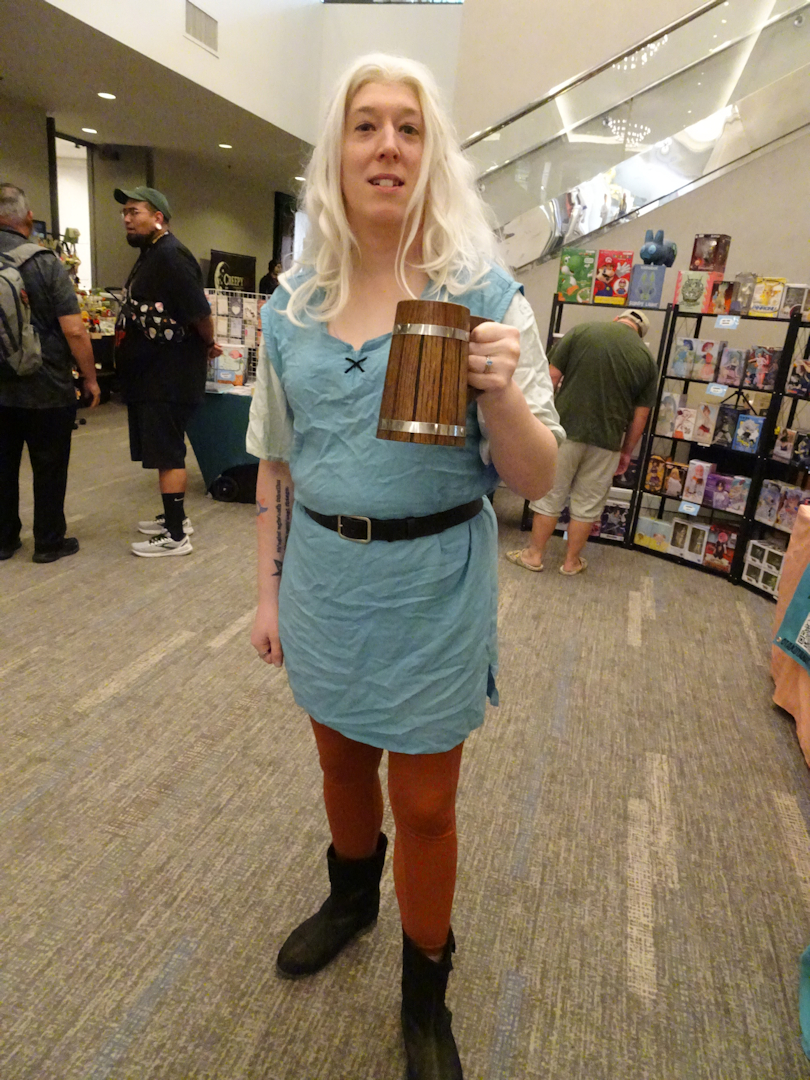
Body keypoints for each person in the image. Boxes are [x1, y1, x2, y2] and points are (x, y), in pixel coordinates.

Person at [246, 54, 561, 1080]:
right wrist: (266, 594)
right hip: (324, 581)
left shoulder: (483, 295)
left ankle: (426, 992)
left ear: (433, 156)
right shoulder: (293, 304)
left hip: (433, 588)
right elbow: (277, 464)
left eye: (409, 128)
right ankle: (351, 898)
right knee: (340, 766)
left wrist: (499, 391)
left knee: (425, 807)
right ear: (336, 153)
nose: (387, 146)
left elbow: (538, 477)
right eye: (366, 125)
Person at [507, 308, 657, 576]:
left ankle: (534, 555)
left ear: (617, 319)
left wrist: (538, 423)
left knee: (550, 493)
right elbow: (641, 415)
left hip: (565, 430)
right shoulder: (646, 358)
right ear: (640, 334)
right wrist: (626, 451)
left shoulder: (582, 331)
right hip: (608, 440)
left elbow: (550, 377)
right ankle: (571, 562)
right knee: (587, 504)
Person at [113, 185, 221, 557]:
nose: (127, 219)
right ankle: (176, 519)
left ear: (158, 217)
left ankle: (176, 537)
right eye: (124, 213)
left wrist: (208, 343)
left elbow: (200, 312)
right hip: (154, 374)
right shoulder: (153, 254)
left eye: (135, 212)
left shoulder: (171, 256)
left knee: (168, 454)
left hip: (169, 376)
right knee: (163, 451)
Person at [0, 182, 100, 563]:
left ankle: (4, 539)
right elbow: (74, 330)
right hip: (45, 385)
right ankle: (48, 541)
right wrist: (90, 379)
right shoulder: (45, 263)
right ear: (28, 218)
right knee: (49, 466)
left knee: (2, 467)